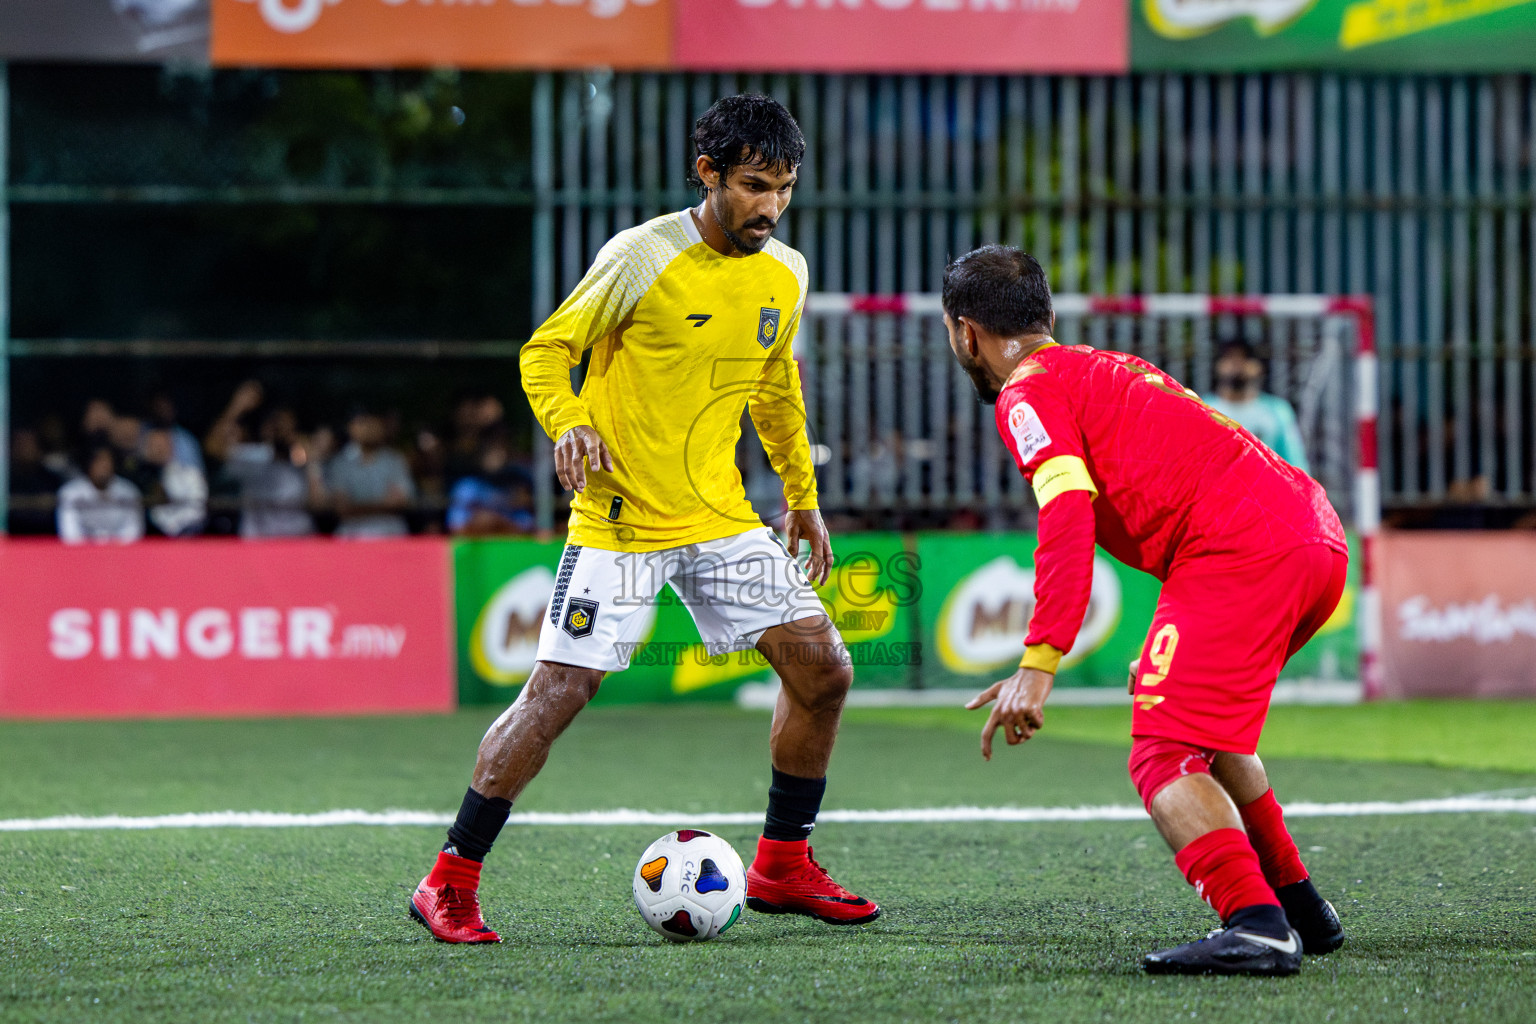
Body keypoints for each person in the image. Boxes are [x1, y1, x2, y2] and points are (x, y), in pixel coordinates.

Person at [409, 94, 878, 943]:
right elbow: (547, 349)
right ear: (708, 174)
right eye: (752, 186)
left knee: (824, 671)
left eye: (784, 188)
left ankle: (781, 865)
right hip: (621, 518)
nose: (769, 207)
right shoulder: (641, 255)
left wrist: (802, 496)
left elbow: (775, 386)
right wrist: (571, 421)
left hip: (719, 516)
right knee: (559, 693)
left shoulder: (786, 272)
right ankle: (448, 879)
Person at [943, 245, 1347, 977]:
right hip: (1313, 535)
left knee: (1162, 751)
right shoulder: (1105, 365)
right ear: (1049, 318)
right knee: (1206, 730)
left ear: (965, 334)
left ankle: (1254, 924)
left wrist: (1040, 660)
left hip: (1242, 551)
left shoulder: (1025, 393)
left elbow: (1066, 510)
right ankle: (1300, 908)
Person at [205, 381, 325, 539]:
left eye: (286, 426)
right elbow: (213, 447)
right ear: (266, 429)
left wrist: (311, 462)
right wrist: (237, 406)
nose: (281, 430)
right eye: (276, 425)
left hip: (297, 541)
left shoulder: (304, 460)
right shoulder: (255, 457)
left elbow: (320, 505)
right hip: (260, 544)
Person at [1203, 339, 1310, 473]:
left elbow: (1295, 464)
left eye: (1244, 358)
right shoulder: (1202, 408)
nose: (1237, 364)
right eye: (1229, 358)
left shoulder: (1277, 411)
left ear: (1258, 367)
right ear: (1218, 365)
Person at [326, 411, 416, 539]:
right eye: (365, 424)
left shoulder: (395, 460)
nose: (371, 430)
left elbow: (401, 501)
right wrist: (383, 505)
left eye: (375, 425)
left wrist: (357, 507)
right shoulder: (340, 463)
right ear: (352, 428)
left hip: (390, 531)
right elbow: (342, 508)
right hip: (352, 532)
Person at [445, 431, 536, 536]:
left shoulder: (515, 486)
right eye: (492, 452)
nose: (498, 457)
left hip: (509, 547)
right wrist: (480, 523)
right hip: (475, 548)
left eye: (502, 451)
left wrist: (497, 522)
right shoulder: (467, 487)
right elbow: (456, 527)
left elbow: (528, 527)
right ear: (481, 456)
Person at [57, 444, 143, 545]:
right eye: (98, 461)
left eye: (107, 461)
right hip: (81, 554)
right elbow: (70, 533)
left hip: (120, 554)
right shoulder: (70, 493)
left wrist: (111, 549)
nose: (103, 466)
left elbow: (133, 531)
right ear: (89, 464)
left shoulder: (128, 492)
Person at [136, 427, 208, 537]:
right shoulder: (135, 478)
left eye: (162, 445)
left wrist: (172, 527)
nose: (158, 450)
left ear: (172, 448)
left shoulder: (190, 476)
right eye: (154, 445)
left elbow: (197, 510)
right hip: (144, 537)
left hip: (182, 534)